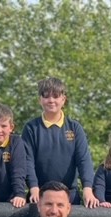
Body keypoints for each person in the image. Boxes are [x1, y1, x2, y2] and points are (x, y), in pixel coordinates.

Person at [22, 77, 98, 210]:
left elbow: (84, 160)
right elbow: (27, 161)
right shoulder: (30, 128)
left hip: (70, 196)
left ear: (63, 99)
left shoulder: (75, 128)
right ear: (40, 99)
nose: (51, 100)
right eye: (46, 96)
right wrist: (33, 188)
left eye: (56, 96)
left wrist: (87, 189)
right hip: (39, 196)